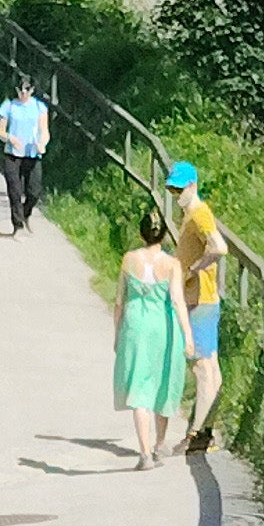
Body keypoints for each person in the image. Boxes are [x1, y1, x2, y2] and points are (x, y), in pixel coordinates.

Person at [112, 197, 192, 464]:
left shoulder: (128, 260)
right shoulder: (171, 265)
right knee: (163, 380)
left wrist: (117, 333)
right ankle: (159, 443)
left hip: (135, 324)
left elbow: (119, 301)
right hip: (161, 324)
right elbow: (178, 301)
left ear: (141, 233)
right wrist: (188, 335)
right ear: (163, 235)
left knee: (138, 385)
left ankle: (144, 452)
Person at [165, 160, 228, 456]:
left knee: (202, 368)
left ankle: (196, 435)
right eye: (172, 190)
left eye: (180, 189)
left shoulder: (200, 214)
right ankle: (207, 430)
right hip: (203, 297)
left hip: (199, 299)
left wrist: (191, 269)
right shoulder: (190, 213)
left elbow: (218, 247)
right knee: (211, 368)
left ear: (193, 186)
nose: (176, 195)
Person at [0, 72, 50, 231]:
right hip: (13, 155)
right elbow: (0, 131)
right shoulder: (9, 106)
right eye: (20, 89)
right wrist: (9, 138)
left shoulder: (39, 107)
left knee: (34, 192)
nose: (23, 93)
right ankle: (17, 226)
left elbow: (44, 131)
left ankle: (26, 213)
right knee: (15, 191)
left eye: (27, 89)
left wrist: (42, 143)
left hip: (32, 154)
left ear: (32, 90)